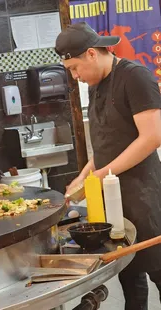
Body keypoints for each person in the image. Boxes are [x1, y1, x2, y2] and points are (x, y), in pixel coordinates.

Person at [55, 22, 161, 310]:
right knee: (129, 276)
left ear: (91, 53)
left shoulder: (135, 77)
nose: (75, 76)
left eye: (75, 68)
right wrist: (83, 176)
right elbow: (104, 143)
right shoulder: (96, 85)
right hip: (115, 199)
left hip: (145, 196)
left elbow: (152, 137)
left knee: (159, 271)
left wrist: (101, 175)